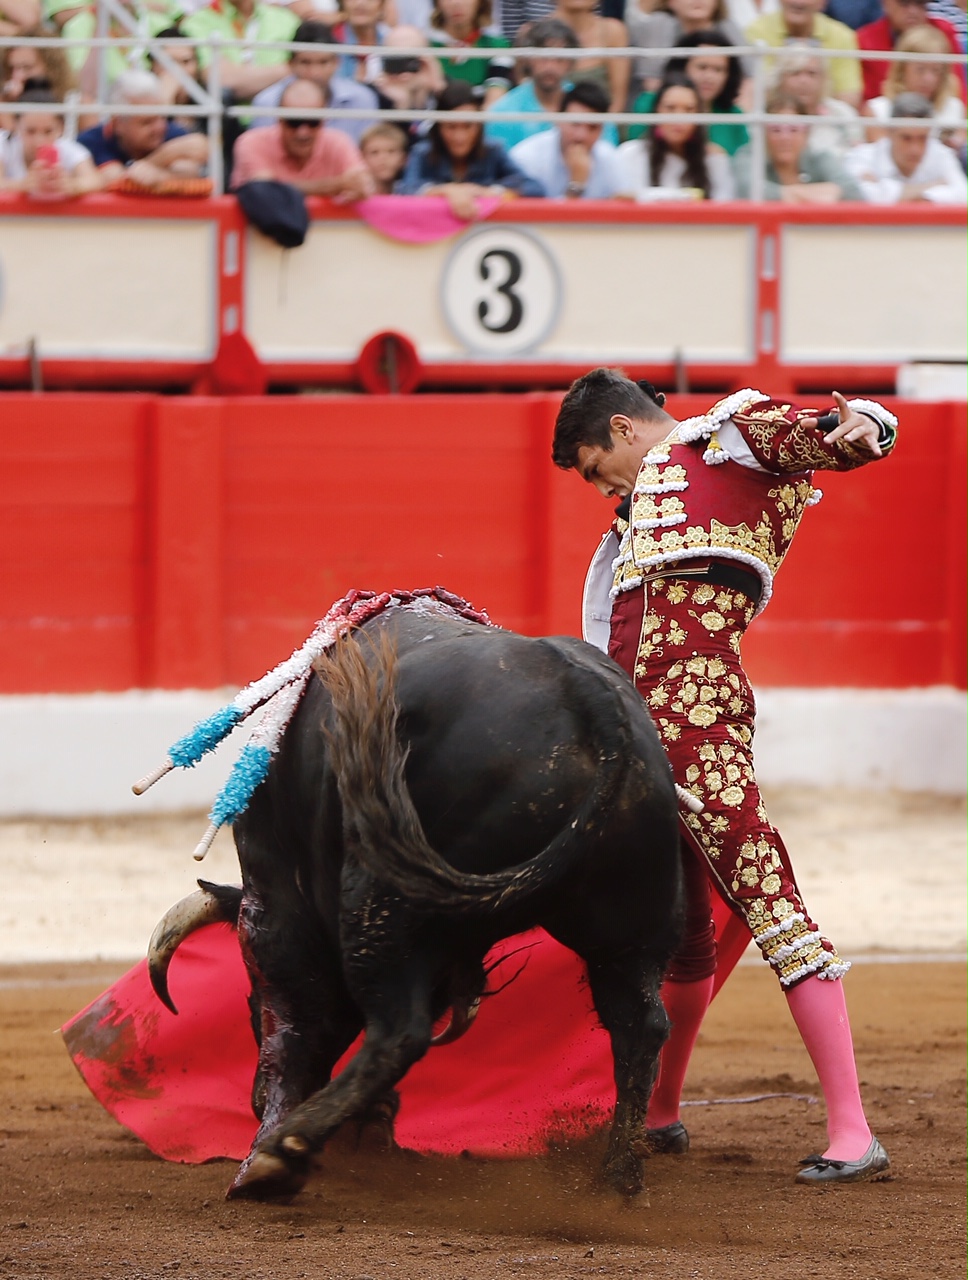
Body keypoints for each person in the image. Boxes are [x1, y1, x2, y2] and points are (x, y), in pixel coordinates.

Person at [551, 367, 897, 1184]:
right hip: (636, 736)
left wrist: (868, 425)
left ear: (622, 430)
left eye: (599, 469)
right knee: (681, 936)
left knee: (775, 909)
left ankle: (853, 1131)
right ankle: (660, 1113)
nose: (606, 490)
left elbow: (822, 436)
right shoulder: (641, 514)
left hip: (700, 726)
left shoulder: (727, 440)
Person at [397, 78, 545, 212]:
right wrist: (445, 191)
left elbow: (534, 188)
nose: (459, 137)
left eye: (467, 126)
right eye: (451, 127)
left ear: (479, 126)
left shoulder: (493, 150)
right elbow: (403, 190)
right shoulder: (422, 153)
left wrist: (492, 192)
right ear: (438, 127)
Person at [230, 75, 373, 197]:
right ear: (279, 120)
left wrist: (354, 185)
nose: (303, 132)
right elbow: (268, 192)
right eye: (294, 122)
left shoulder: (338, 141)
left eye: (312, 122)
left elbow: (363, 184)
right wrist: (338, 184)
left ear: (324, 120)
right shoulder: (252, 142)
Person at [249, 19, 380, 140]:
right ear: (291, 64)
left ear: (337, 62)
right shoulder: (267, 104)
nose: (315, 73)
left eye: (323, 62)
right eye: (306, 62)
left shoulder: (362, 100)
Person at [77, 68, 209, 187]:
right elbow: (115, 180)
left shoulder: (173, 133)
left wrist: (161, 176)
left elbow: (190, 171)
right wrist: (166, 155)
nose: (159, 127)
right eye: (146, 122)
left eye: (161, 117)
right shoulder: (92, 141)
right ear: (117, 123)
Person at [626, 29, 749, 156]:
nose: (709, 77)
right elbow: (635, 150)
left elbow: (745, 160)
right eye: (702, 67)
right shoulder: (649, 103)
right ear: (682, 67)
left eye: (718, 70)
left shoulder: (734, 115)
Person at [616, 71, 735, 197]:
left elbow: (723, 203)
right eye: (670, 108)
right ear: (657, 111)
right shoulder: (631, 154)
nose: (679, 118)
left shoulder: (714, 160)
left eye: (689, 109)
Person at [734, 86, 865, 196]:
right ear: (764, 132)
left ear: (807, 133)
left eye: (793, 129)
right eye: (776, 129)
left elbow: (855, 194)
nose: (785, 137)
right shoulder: (749, 156)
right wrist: (822, 193)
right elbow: (747, 190)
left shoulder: (820, 158)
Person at [509, 78, 631, 195]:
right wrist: (576, 185)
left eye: (592, 127)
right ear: (558, 119)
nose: (581, 136)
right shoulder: (527, 158)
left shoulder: (610, 158)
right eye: (575, 124)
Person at [845, 88, 968, 197]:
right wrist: (932, 186)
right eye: (906, 138)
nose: (915, 149)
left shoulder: (942, 155)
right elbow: (859, 195)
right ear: (890, 133)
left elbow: (962, 195)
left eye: (922, 138)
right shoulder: (862, 157)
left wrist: (886, 190)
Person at [483, 16, 581, 150]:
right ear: (528, 59)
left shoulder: (587, 109)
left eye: (559, 58)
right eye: (543, 57)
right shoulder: (502, 113)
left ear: (571, 62)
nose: (550, 66)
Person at [745, 0, 863, 107]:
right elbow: (754, 92)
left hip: (825, 118)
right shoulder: (755, 32)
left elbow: (849, 97)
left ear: (824, 2)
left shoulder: (842, 36)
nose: (798, 2)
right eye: (795, 73)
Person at [181, 0, 300, 103]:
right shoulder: (197, 22)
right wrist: (290, 69)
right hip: (223, 118)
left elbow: (307, 71)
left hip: (280, 117)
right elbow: (222, 79)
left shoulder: (286, 19)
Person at [862, 23, 966, 139]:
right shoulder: (877, 111)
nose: (928, 79)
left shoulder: (955, 110)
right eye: (920, 69)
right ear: (902, 69)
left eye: (936, 70)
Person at [626, 0, 750, 96]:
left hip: (715, 109)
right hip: (667, 109)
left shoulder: (727, 26)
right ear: (671, 2)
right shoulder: (659, 24)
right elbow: (652, 85)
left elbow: (750, 79)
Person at [0, 83, 99, 195]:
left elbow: (94, 180)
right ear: (16, 126)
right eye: (30, 131)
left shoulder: (69, 149)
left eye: (48, 131)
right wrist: (22, 185)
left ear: (61, 128)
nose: (39, 141)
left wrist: (71, 185)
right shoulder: (3, 145)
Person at [856, 0, 964, 102]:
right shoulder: (865, 40)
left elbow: (959, 92)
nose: (913, 11)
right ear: (886, 3)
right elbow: (867, 99)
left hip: (938, 110)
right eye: (904, 2)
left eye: (920, 3)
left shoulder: (944, 32)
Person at [772, 42, 864, 153]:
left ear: (823, 78)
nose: (803, 81)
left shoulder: (843, 114)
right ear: (780, 79)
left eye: (811, 73)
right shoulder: (765, 116)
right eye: (795, 73)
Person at [551, 0, 630, 115]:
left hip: (602, 122)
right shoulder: (534, 32)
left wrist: (601, 124)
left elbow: (618, 101)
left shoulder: (613, 32)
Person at [428, 0, 514, 102]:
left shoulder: (497, 46)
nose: (456, 3)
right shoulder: (426, 48)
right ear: (437, 3)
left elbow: (495, 100)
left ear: (481, 2)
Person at [359, 118, 408, 188]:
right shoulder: (352, 193)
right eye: (374, 152)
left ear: (403, 159)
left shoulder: (411, 192)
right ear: (362, 157)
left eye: (391, 151)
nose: (383, 158)